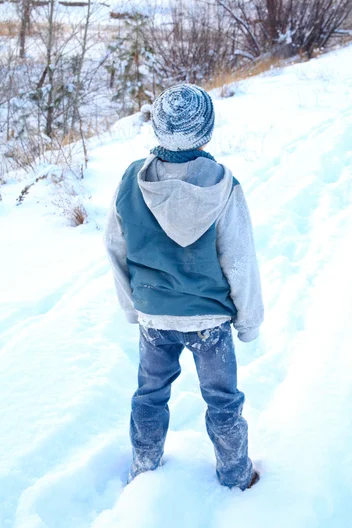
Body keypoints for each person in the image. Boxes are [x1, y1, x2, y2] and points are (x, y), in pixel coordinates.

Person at [104, 84, 264, 490]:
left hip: (155, 316)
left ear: (159, 129)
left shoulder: (130, 180)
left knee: (150, 394)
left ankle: (144, 466)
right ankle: (235, 474)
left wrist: (131, 306)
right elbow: (239, 260)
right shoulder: (223, 186)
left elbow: (115, 247)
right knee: (223, 400)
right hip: (209, 321)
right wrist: (249, 321)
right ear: (205, 132)